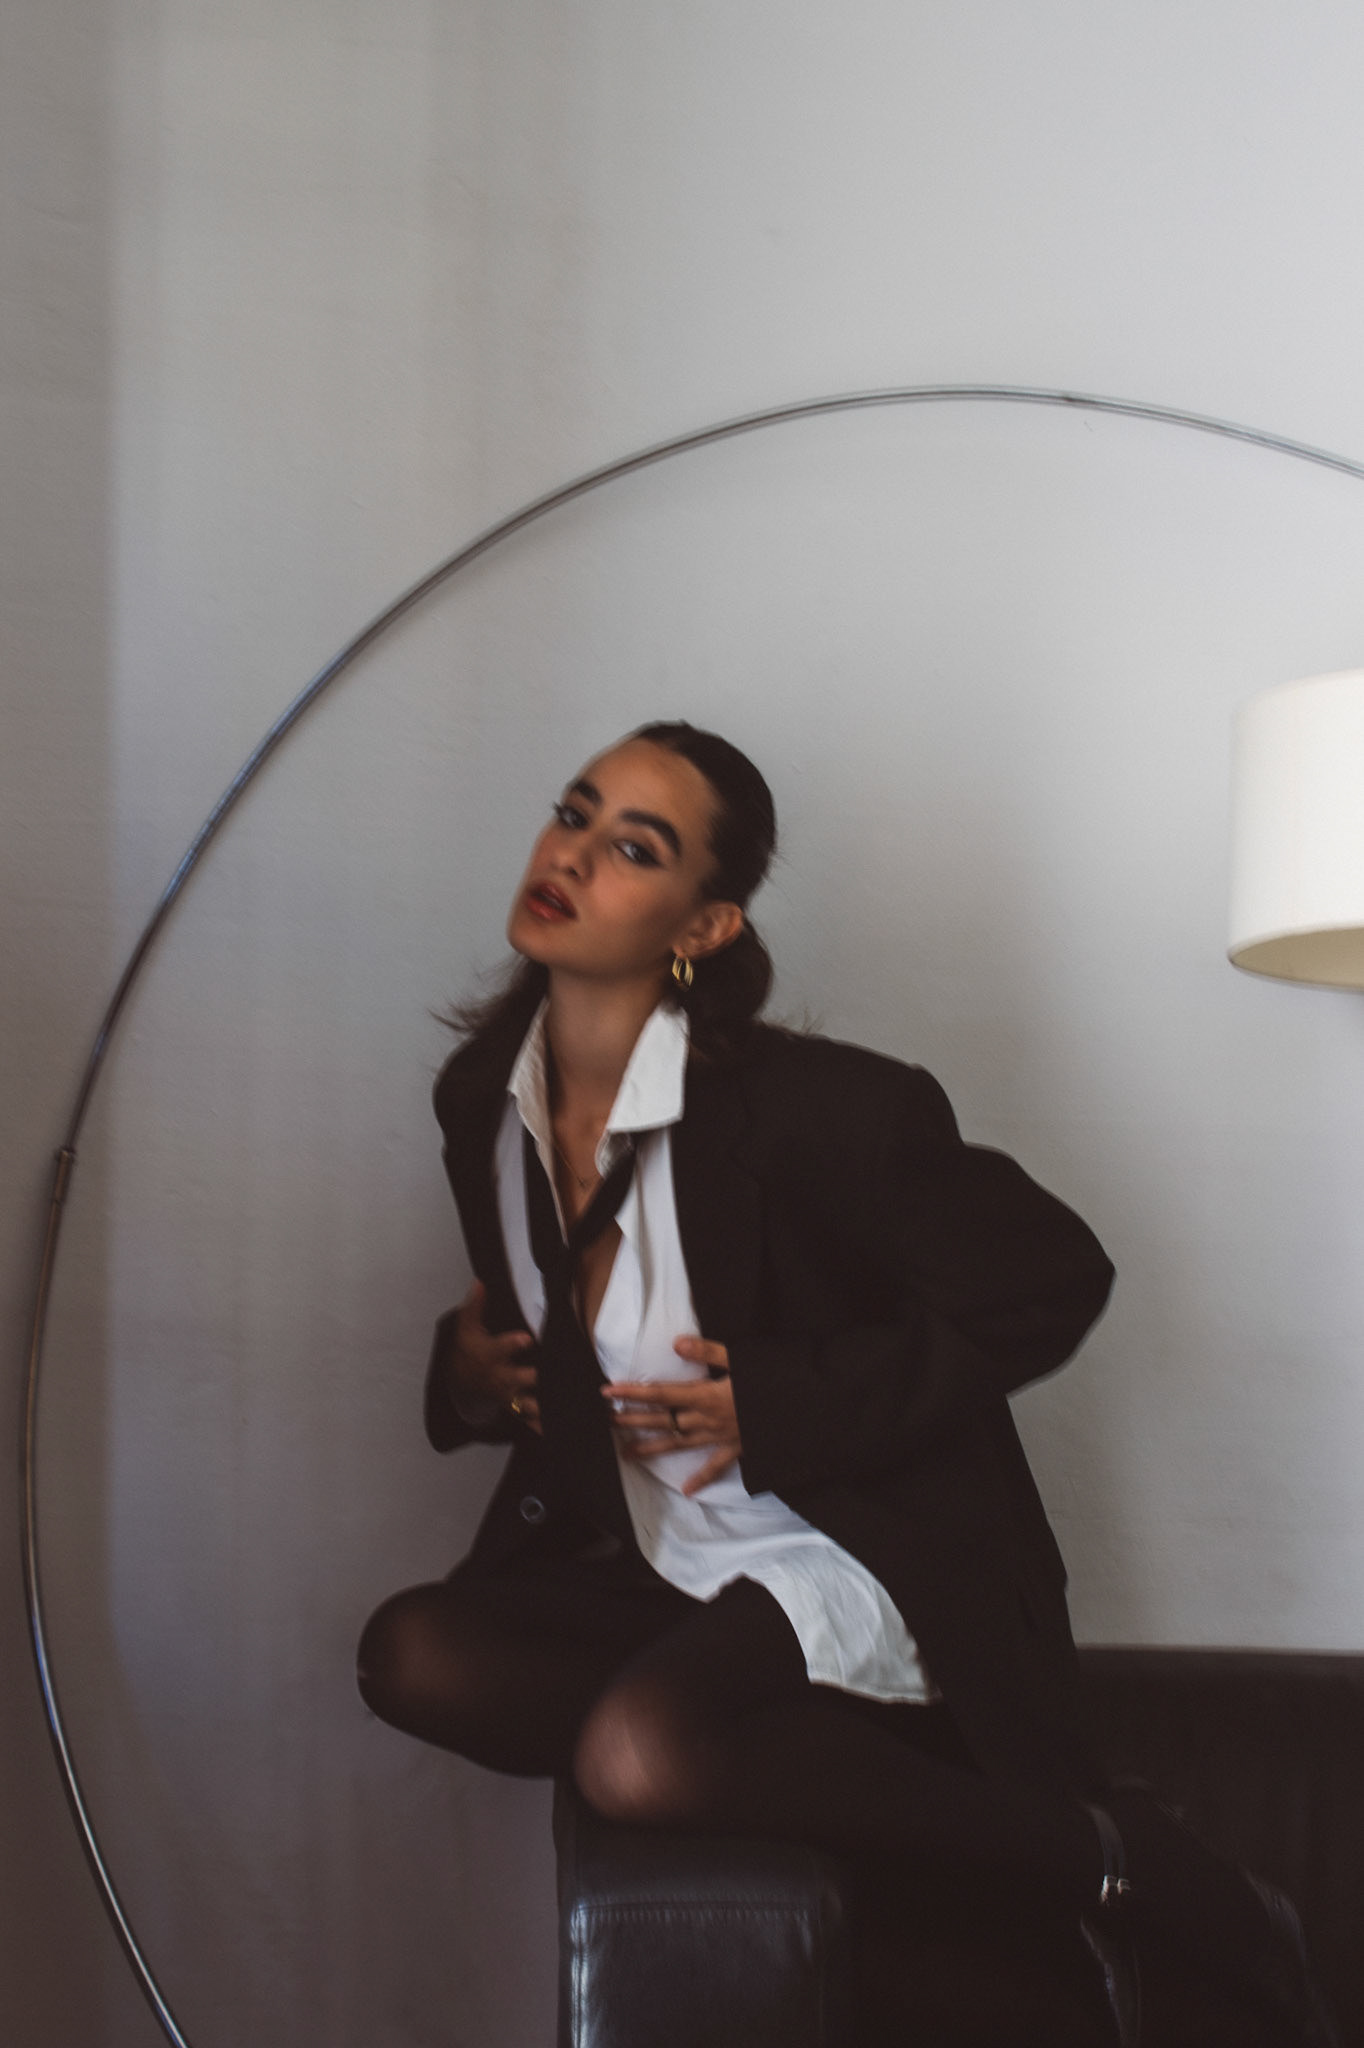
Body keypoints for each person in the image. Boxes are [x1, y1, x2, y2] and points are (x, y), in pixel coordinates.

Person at [357, 721, 1337, 2048]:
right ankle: (794, 1762)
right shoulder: (483, 1099)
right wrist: (473, 1379)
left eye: (634, 848)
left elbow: (1055, 1276)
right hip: (665, 1552)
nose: (571, 856)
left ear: (704, 925)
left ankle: (1114, 1856)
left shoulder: (825, 1113)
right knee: (413, 1655)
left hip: (849, 1540)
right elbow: (551, 1341)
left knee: (638, 1754)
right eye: (574, 814)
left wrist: (783, 1401)